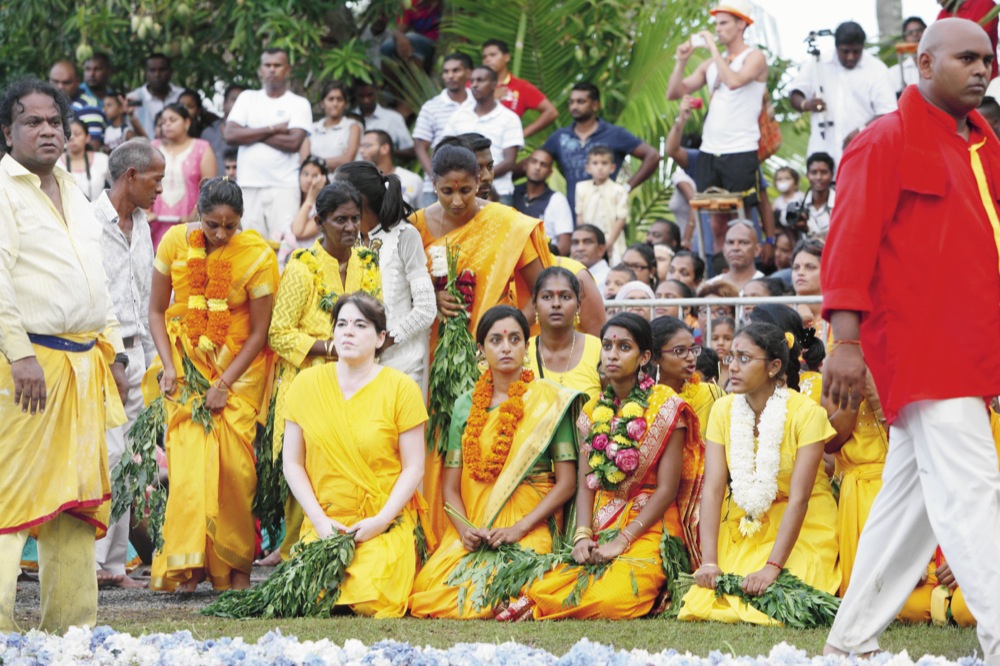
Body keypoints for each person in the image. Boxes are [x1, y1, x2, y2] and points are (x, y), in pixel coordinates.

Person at [822, 19, 1000, 661]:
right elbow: (850, 240)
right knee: (975, 490)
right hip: (922, 350)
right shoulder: (885, 139)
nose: (982, 69)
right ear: (923, 64)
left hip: (972, 348)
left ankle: (849, 641)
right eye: (967, 58)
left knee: (914, 503)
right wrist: (844, 341)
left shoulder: (983, 147)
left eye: (988, 58)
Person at [0, 78, 127, 632]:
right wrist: (19, 354)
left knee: (76, 505)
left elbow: (97, 276)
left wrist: (116, 351)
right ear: (8, 132)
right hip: (28, 366)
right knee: (10, 502)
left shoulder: (74, 188)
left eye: (55, 121)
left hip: (85, 364)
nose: (48, 130)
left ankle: (71, 635)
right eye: (33, 121)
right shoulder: (2, 189)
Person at [410, 144, 552, 539]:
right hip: (433, 357)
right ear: (433, 185)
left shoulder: (507, 225)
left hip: (495, 360)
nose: (457, 201)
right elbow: (396, 296)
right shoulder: (414, 228)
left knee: (489, 448)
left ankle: (491, 527)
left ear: (480, 182)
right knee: (434, 444)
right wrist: (430, 301)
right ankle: (434, 537)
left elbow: (541, 292)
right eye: (447, 192)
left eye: (466, 190)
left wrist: (503, 334)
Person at [519, 313, 702, 619]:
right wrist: (581, 536)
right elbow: (586, 483)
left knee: (613, 601)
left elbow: (668, 490)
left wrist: (623, 540)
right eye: (607, 346)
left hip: (652, 526)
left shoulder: (667, 405)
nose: (613, 354)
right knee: (547, 583)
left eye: (624, 347)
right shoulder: (593, 411)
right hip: (603, 523)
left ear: (644, 356)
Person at [409, 306, 583, 618]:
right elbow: (450, 488)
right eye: (496, 340)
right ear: (481, 349)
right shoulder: (465, 406)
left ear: (526, 347)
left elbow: (568, 482)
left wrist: (519, 528)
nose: (506, 347)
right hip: (476, 525)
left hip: (531, 525)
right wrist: (465, 532)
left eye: (515, 339)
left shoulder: (548, 400)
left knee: (515, 579)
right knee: (428, 594)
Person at [148, 178, 279, 592]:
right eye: (211, 225)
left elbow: (260, 332)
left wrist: (223, 382)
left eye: (230, 226)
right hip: (185, 369)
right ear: (197, 215)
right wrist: (169, 367)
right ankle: (191, 567)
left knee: (236, 475)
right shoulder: (173, 242)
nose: (221, 234)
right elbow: (156, 311)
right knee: (188, 472)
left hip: (238, 373)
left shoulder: (257, 255)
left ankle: (234, 569)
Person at [678, 322, 840, 624]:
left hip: (803, 523)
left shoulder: (807, 414)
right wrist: (709, 561)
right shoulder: (723, 410)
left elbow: (800, 501)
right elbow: (713, 489)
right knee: (708, 599)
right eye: (731, 358)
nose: (733, 367)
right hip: (745, 520)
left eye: (745, 358)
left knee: (777, 596)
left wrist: (772, 566)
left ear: (774, 366)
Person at [283, 293, 428, 617]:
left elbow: (414, 468)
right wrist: (320, 521)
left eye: (360, 325)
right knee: (313, 595)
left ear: (380, 338)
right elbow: (292, 463)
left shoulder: (401, 388)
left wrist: (380, 520)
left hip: (383, 519)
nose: (348, 332)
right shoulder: (306, 384)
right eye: (342, 324)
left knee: (373, 596)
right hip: (326, 522)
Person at [264, 181, 365, 565]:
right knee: (304, 463)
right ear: (320, 221)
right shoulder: (302, 267)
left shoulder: (367, 264)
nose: (350, 227)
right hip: (309, 379)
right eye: (340, 220)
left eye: (355, 218)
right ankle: (296, 552)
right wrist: (331, 349)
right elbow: (278, 333)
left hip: (358, 380)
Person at [91, 140, 165, 588]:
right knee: (109, 455)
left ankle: (114, 567)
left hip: (140, 353)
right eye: (156, 178)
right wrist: (114, 356)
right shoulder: (86, 221)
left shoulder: (142, 224)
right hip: (104, 354)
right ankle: (94, 564)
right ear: (131, 175)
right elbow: (92, 294)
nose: (162, 188)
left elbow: (146, 298)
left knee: (132, 462)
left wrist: (156, 362)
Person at [666, 0, 773, 255]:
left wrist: (713, 48)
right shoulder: (712, 64)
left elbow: (734, 81)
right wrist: (682, 61)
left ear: (741, 25)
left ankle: (748, 275)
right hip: (710, 149)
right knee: (716, 222)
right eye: (716, 23)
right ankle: (718, 277)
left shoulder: (754, 56)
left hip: (741, 147)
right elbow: (674, 92)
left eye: (723, 23)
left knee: (742, 220)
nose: (717, 28)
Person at [335, 161, 436, 392]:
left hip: (403, 365)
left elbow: (426, 309)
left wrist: (384, 341)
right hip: (356, 364)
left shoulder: (404, 236)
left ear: (359, 200)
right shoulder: (348, 239)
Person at [224, 48, 312, 239]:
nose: (272, 69)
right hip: (249, 184)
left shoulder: (299, 103)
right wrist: (272, 129)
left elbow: (293, 143)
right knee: (251, 247)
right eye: (268, 65)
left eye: (277, 65)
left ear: (287, 69)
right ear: (260, 69)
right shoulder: (247, 98)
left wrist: (249, 132)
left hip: (284, 186)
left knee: (284, 247)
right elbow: (230, 135)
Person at [789, 21, 897, 170]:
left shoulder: (877, 69)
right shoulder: (818, 63)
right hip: (822, 157)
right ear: (836, 47)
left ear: (863, 47)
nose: (851, 57)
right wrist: (807, 104)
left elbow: (888, 113)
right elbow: (795, 94)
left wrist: (861, 132)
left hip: (863, 157)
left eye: (856, 52)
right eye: (845, 51)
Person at [541, 82, 660, 212]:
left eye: (581, 102)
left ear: (595, 105)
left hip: (606, 211)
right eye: (571, 102)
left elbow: (653, 156)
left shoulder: (615, 134)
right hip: (573, 213)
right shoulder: (560, 136)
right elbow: (536, 160)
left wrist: (626, 189)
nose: (574, 106)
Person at [444, 66, 524, 206]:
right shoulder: (458, 115)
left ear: (494, 84)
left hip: (500, 193)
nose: (474, 85)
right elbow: (445, 152)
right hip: (462, 194)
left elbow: (509, 162)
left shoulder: (509, 118)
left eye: (480, 80)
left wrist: (477, 178)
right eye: (472, 81)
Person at [526, 267, 602, 400]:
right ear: (535, 305)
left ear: (578, 306)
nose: (556, 304)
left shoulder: (598, 350)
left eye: (565, 297)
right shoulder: (522, 353)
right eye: (547, 297)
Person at [150, 103, 217, 248]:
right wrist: (144, 212)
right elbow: (141, 182)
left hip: (190, 227)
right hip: (153, 228)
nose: (166, 125)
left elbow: (209, 190)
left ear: (187, 123)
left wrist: (194, 216)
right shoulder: (152, 147)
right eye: (163, 122)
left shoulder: (202, 148)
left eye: (172, 120)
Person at [413, 52, 475, 207]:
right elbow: (421, 147)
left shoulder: (478, 104)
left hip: (471, 185)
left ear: (468, 73)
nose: (450, 75)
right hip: (434, 187)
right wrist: (435, 176)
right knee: (431, 230)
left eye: (456, 70)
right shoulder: (431, 107)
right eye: (446, 72)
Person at [651, 316, 725, 444]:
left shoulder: (709, 394)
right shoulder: (639, 397)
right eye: (680, 351)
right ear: (654, 357)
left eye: (693, 349)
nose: (691, 357)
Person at [481, 39, 559, 137]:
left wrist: (520, 136)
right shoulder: (473, 84)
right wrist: (492, 100)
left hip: (506, 148)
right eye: (484, 57)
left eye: (493, 55)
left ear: (506, 57)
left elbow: (551, 112)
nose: (488, 59)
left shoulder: (521, 86)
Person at [514, 148, 573, 256]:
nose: (537, 167)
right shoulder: (512, 193)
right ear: (525, 165)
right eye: (534, 162)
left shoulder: (557, 200)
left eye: (543, 165)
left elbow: (565, 246)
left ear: (550, 172)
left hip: (545, 259)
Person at [575, 146, 630, 263]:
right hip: (588, 242)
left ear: (612, 167)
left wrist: (608, 243)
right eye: (595, 163)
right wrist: (583, 239)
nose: (600, 167)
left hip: (613, 242)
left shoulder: (619, 190)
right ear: (588, 168)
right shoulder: (581, 188)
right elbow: (580, 216)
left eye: (604, 163)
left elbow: (621, 219)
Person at [302, 81, 362, 172]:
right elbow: (304, 161)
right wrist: (337, 160)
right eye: (330, 99)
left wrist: (315, 162)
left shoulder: (353, 127)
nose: (335, 104)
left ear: (345, 104)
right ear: (322, 103)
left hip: (342, 183)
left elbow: (348, 159)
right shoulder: (312, 128)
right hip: (315, 182)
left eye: (339, 99)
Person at [358, 129, 424, 211]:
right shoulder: (358, 182)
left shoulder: (412, 179)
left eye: (367, 146)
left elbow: (421, 212)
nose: (361, 151)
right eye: (360, 146)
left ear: (385, 148)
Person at [49, 60, 106, 149]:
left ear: (77, 82)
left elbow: (92, 150)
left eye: (66, 82)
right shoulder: (44, 104)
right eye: (55, 82)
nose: (60, 87)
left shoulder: (88, 107)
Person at [128, 53, 184, 140]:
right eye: (152, 70)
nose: (157, 74)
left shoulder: (182, 95)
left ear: (170, 72)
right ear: (146, 73)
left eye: (162, 70)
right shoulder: (134, 98)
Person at [937, 0, 998, 79]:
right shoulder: (943, 14)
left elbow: (977, 42)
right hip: (953, 84)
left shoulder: (983, 3)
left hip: (985, 79)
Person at [353, 82, 415, 160]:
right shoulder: (348, 119)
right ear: (355, 94)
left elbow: (410, 151)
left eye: (369, 95)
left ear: (376, 92)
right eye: (362, 96)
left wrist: (385, 151)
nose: (366, 100)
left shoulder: (393, 118)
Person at [202, 84, 245, 178]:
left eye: (243, 101)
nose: (239, 104)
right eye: (235, 100)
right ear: (224, 104)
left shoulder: (254, 133)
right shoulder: (208, 133)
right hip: (215, 191)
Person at [289, 155, 330, 250]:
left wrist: (310, 198)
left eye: (315, 176)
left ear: (323, 179)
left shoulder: (326, 206)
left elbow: (297, 232)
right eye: (305, 174)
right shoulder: (292, 197)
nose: (309, 180)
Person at [63, 118, 110, 201]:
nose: (71, 138)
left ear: (88, 137)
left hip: (96, 213)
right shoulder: (55, 163)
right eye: (68, 134)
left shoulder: (103, 160)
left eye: (77, 134)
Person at [711, 220, 762, 291]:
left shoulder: (767, 288)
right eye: (730, 242)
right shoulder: (711, 287)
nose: (735, 248)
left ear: (757, 250)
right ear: (724, 249)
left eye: (743, 243)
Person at [794, 153, 836, 239]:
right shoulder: (799, 203)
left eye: (824, 172)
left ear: (832, 175)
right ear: (807, 175)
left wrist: (807, 230)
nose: (818, 177)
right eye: (814, 172)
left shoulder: (841, 203)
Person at [887, 17, 927, 95]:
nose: (915, 35)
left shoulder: (939, 66)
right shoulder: (895, 73)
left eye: (919, 30)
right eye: (910, 33)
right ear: (904, 39)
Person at [791, 238, 824, 331]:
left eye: (810, 267)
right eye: (796, 267)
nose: (800, 273)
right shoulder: (779, 313)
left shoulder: (837, 316)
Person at [571, 225, 611, 293]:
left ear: (601, 249)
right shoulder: (567, 277)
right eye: (575, 242)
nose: (580, 248)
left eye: (587, 242)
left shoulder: (609, 278)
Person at [709, 316, 735, 389]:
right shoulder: (704, 369)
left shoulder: (738, 369)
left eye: (727, 338)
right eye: (715, 339)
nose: (720, 343)